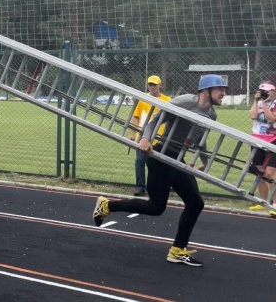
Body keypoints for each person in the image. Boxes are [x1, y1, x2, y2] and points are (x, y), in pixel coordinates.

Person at [92, 74, 227, 267]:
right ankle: (107, 205)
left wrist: (204, 161)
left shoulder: (212, 114)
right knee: (156, 207)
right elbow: (156, 120)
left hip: (177, 159)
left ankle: (177, 250)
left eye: (224, 90)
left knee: (195, 203)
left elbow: (200, 140)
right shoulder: (184, 102)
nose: (224, 93)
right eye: (220, 89)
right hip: (161, 156)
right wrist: (146, 138)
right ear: (206, 90)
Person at [129, 75, 171, 197]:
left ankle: (157, 188)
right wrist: (133, 133)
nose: (152, 87)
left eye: (154, 84)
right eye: (150, 84)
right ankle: (140, 187)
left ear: (160, 85)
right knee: (140, 161)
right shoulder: (143, 99)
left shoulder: (167, 100)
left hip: (160, 138)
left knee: (157, 165)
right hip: (143, 137)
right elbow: (136, 116)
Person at [247, 82, 276, 212]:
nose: (264, 94)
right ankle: (263, 202)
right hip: (257, 140)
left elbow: (271, 119)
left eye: (267, 92)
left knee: (270, 173)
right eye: (262, 91)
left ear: (273, 92)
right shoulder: (257, 103)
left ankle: (275, 204)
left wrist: (264, 104)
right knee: (259, 172)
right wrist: (256, 101)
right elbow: (253, 116)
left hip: (273, 140)